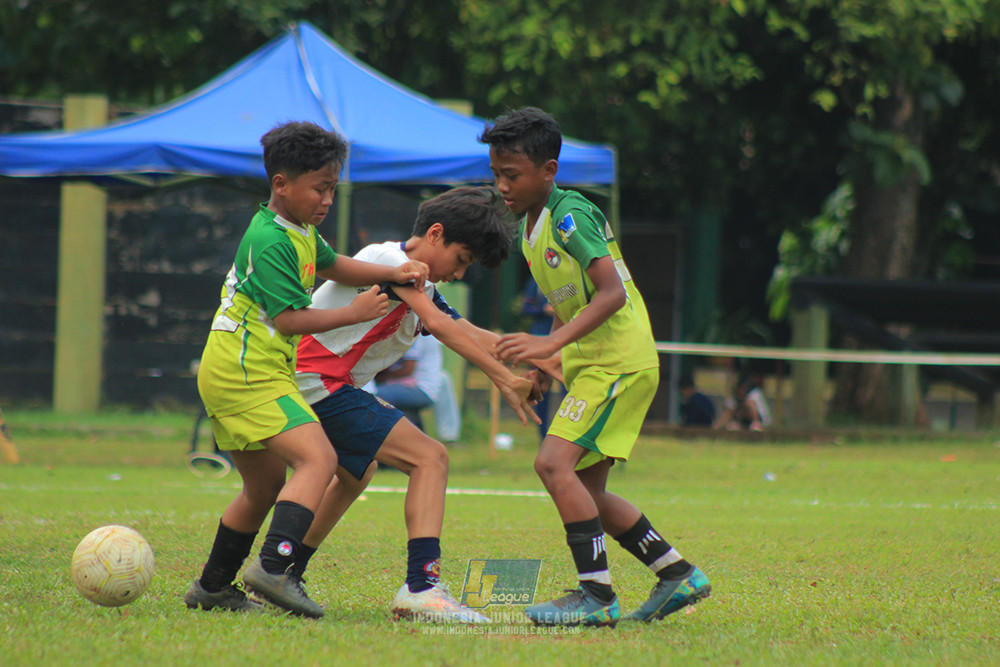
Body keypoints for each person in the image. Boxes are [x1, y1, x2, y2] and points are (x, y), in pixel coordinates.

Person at [183, 120, 429, 618]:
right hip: (245, 371)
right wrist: (353, 313)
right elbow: (290, 319)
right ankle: (275, 569)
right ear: (281, 184)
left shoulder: (296, 229)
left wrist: (390, 271)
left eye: (332, 188)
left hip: (242, 367)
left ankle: (212, 588)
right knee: (317, 458)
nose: (327, 199)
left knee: (264, 487)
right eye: (320, 187)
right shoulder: (270, 242)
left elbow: (335, 265)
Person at [480, 107, 711, 627]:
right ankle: (676, 572)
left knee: (551, 465)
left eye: (511, 175)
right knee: (588, 489)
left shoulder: (570, 217)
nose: (502, 186)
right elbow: (573, 307)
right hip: (594, 362)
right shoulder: (530, 231)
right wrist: (548, 364)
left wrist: (547, 344)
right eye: (495, 174)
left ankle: (597, 595)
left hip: (619, 363)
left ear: (549, 170)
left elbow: (611, 294)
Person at [290, 185, 544, 623]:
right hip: (315, 382)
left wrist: (546, 355)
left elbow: (468, 331)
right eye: (461, 259)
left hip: (319, 385)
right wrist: (503, 379)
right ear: (435, 233)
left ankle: (283, 571)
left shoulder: (417, 284)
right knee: (430, 458)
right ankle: (422, 588)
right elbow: (439, 326)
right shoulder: (389, 262)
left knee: (357, 472)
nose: (460, 274)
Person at [374, 335, 461, 443]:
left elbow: (408, 369)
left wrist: (378, 379)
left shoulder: (415, 335)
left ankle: (378, 440)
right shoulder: (426, 335)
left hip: (420, 388)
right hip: (422, 386)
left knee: (373, 396)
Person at [520, 276, 564, 439]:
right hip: (540, 339)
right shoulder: (537, 281)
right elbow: (525, 308)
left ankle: (564, 434)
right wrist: (543, 310)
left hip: (564, 340)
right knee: (539, 388)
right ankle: (543, 434)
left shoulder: (568, 281)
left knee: (567, 389)